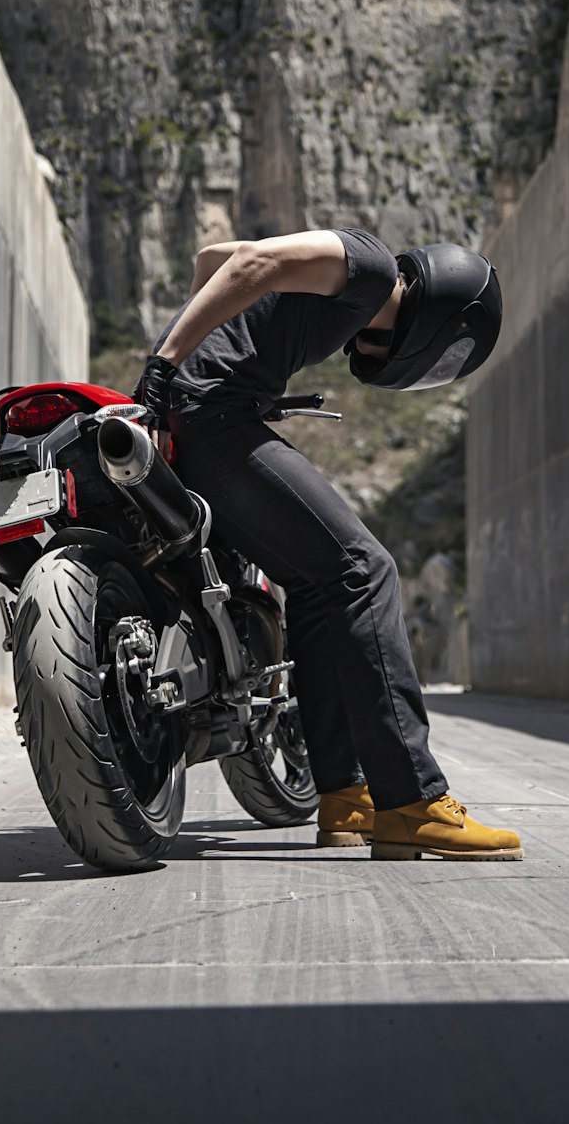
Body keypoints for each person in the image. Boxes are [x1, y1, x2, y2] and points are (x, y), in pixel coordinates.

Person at [138, 228, 523, 861]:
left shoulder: (347, 299)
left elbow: (211, 260)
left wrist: (208, 348)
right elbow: (251, 262)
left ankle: (345, 796)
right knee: (363, 568)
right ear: (438, 323)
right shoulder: (370, 270)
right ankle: (413, 800)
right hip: (213, 414)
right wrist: (170, 364)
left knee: (318, 585)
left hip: (201, 412)